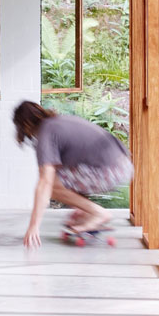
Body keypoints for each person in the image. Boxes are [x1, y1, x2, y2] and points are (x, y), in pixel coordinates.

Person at [13, 100, 133, 249]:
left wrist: (33, 226)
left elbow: (46, 183)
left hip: (110, 169)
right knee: (60, 177)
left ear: (25, 125)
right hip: (122, 164)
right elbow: (72, 171)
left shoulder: (46, 133)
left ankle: (98, 213)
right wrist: (80, 207)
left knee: (51, 186)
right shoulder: (58, 122)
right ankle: (88, 214)